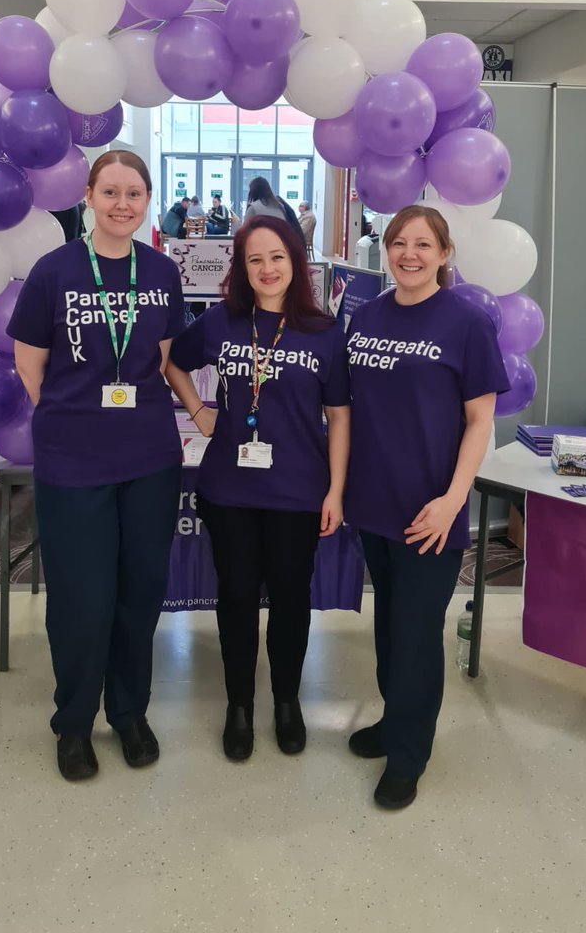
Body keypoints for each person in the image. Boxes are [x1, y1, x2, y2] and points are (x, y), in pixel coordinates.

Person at [8, 149, 186, 783]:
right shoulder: (52, 272)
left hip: (149, 458)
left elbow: (161, 358)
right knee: (82, 600)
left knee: (140, 593)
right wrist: (72, 419)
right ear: (88, 195)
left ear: (146, 200)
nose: (122, 205)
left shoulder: (161, 273)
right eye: (110, 192)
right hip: (73, 461)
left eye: (134, 194)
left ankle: (130, 713)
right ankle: (75, 722)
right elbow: (30, 366)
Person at [165, 216, 350, 762]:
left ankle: (287, 703)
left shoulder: (323, 332)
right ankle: (239, 705)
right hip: (230, 490)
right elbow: (175, 362)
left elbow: (339, 418)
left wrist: (336, 490)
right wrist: (198, 410)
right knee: (237, 599)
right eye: (255, 260)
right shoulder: (223, 322)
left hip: (299, 492)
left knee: (292, 601)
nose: (267, 269)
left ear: (296, 262)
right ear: (242, 269)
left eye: (277, 258)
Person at [343, 204, 508, 810]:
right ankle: (393, 721)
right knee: (388, 626)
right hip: (374, 504)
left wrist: (452, 501)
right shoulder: (365, 318)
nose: (408, 254)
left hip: (431, 512)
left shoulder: (465, 323)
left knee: (415, 634)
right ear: (385, 250)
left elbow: (479, 420)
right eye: (398, 243)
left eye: (422, 244)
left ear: (444, 254)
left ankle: (410, 753)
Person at [244, 177, 305, 247]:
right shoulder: (280, 206)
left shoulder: (253, 208)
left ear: (252, 191)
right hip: (283, 246)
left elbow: (244, 233)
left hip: (262, 247)